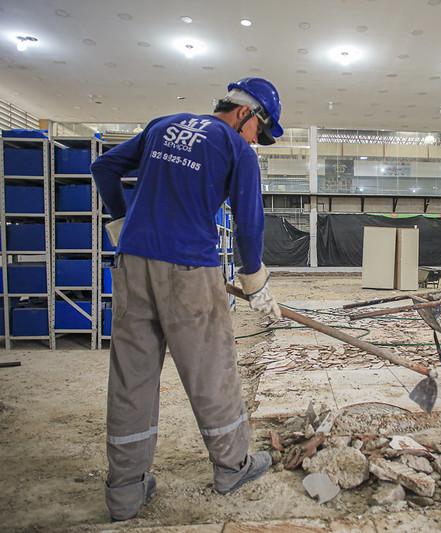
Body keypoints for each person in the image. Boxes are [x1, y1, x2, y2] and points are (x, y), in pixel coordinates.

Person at [91, 77, 284, 521]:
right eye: (260, 131)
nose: (257, 141)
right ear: (245, 114)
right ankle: (233, 467)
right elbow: (249, 223)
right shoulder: (236, 150)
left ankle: (125, 490)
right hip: (190, 271)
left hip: (133, 264)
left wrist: (120, 222)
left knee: (131, 376)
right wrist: (256, 284)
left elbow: (103, 168)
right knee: (211, 370)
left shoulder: (163, 125)